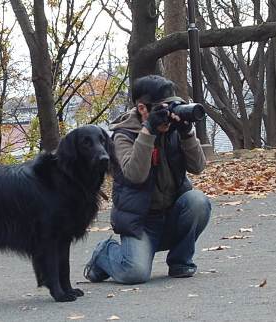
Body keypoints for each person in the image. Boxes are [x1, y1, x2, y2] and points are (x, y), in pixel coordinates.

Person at [84, 75, 211, 284]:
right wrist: (148, 132)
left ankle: (180, 261)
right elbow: (135, 176)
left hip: (171, 215)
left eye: (173, 106)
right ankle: (105, 253)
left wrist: (187, 133)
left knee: (197, 201)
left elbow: (198, 167)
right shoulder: (122, 136)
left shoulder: (174, 130)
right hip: (140, 223)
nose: (169, 113)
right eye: (163, 108)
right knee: (135, 273)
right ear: (143, 109)